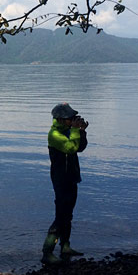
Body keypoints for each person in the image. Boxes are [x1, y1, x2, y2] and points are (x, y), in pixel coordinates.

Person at [41, 102, 89, 265]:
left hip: (72, 178)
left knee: (68, 214)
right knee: (61, 216)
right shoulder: (54, 134)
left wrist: (82, 132)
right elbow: (70, 148)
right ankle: (47, 252)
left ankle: (65, 247)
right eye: (70, 118)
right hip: (61, 180)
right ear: (60, 119)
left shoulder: (69, 130)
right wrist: (76, 130)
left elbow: (79, 148)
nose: (72, 120)